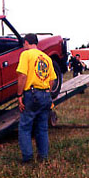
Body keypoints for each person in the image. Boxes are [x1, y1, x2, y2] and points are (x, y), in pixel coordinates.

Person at [16, 33, 56, 164]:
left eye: (23, 44)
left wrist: (19, 95)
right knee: (42, 127)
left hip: (31, 94)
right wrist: (47, 93)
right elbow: (52, 80)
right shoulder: (46, 57)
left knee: (25, 127)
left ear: (26, 42)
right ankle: (43, 157)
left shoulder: (26, 55)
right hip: (45, 94)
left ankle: (27, 158)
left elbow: (22, 76)